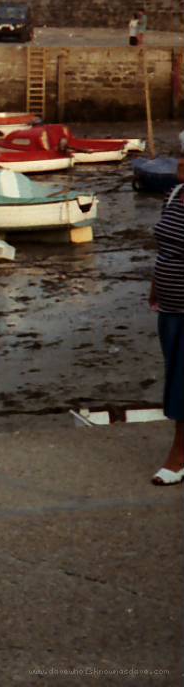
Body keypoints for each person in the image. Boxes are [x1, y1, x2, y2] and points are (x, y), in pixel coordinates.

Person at [150, 184, 184, 485]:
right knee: (175, 373)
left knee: (182, 383)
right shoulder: (173, 195)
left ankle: (178, 456)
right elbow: (165, 249)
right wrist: (155, 285)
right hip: (170, 308)